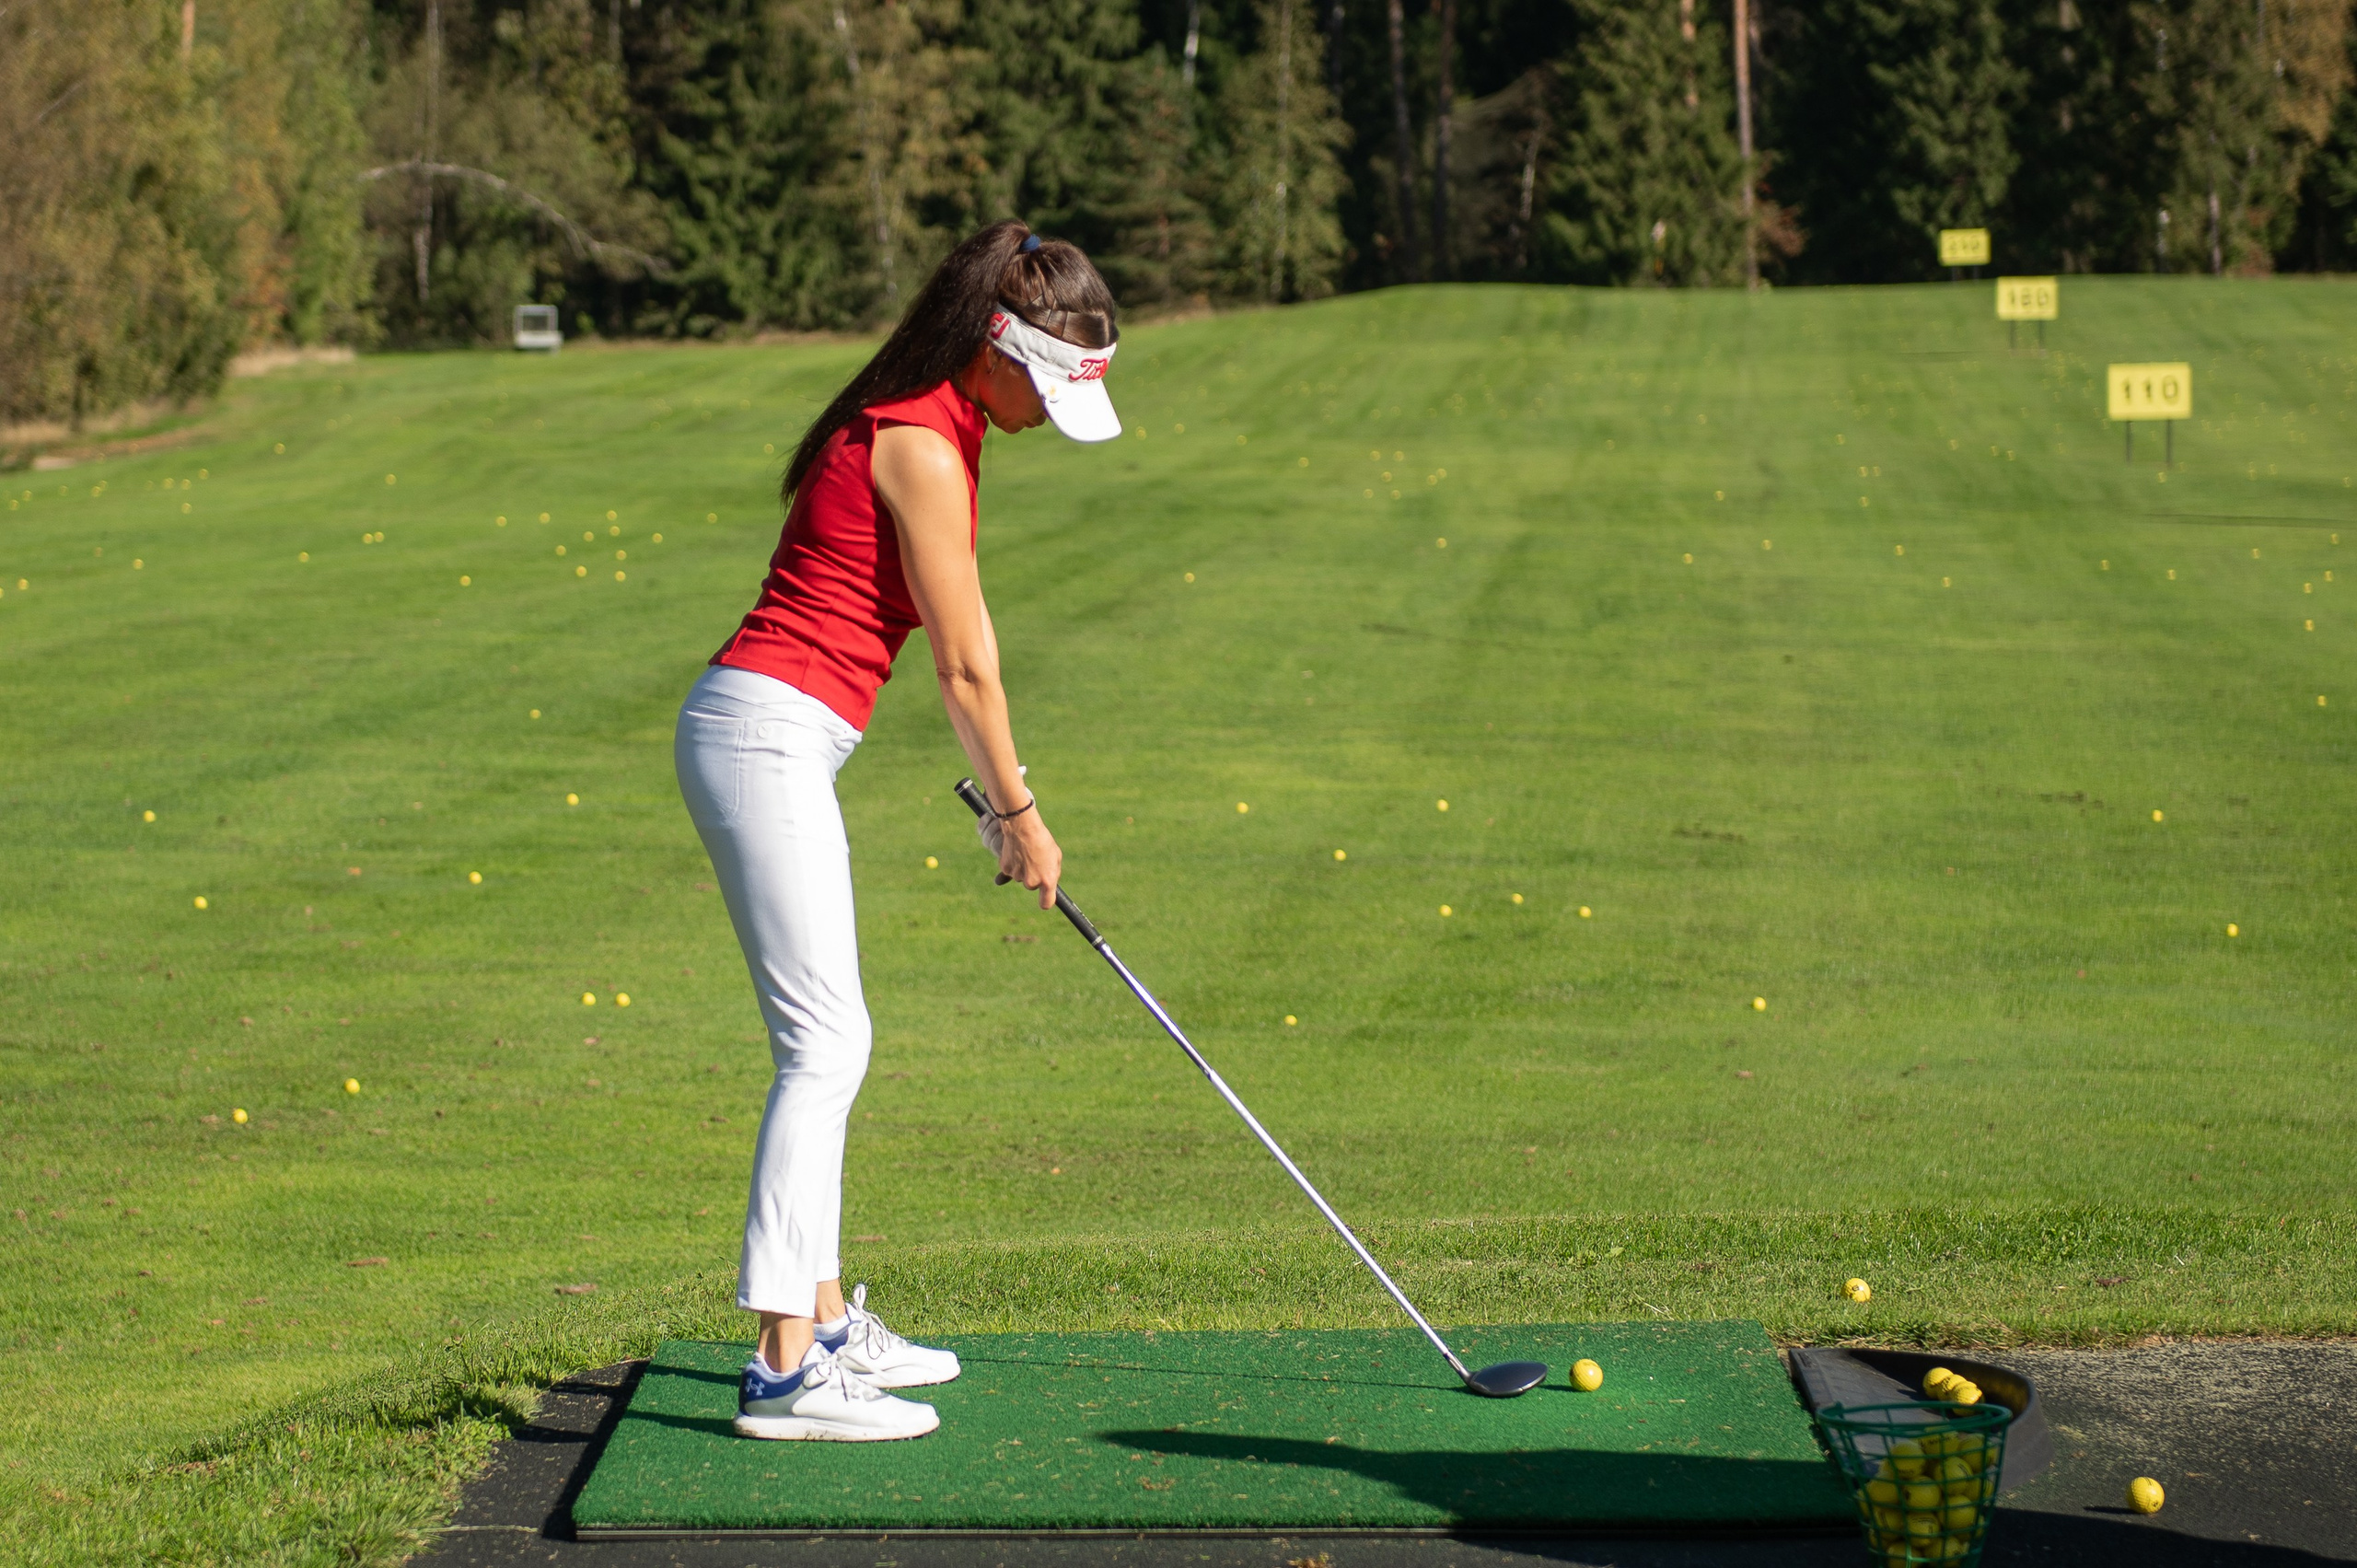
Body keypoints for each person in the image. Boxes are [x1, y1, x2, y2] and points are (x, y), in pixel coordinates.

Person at [674, 221, 1121, 1442]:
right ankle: (783, 1371)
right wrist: (1023, 817)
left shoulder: (929, 418)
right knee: (825, 1046)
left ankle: (818, 1322)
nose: (1046, 417)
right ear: (996, 346)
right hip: (764, 733)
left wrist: (1002, 807)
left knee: (831, 1039)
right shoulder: (920, 442)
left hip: (774, 734)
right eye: (1044, 387)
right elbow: (968, 671)